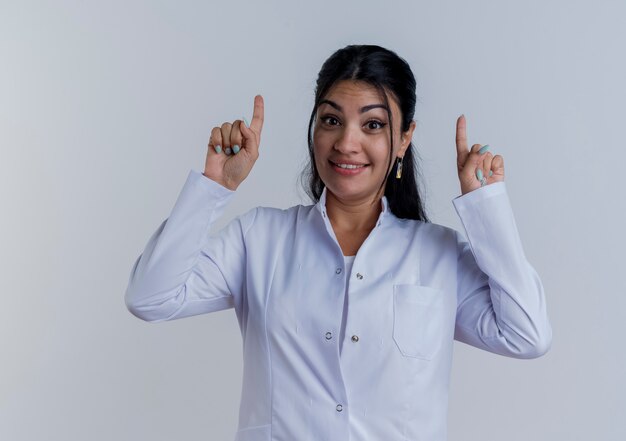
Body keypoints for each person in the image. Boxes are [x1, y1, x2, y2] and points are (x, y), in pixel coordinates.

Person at [125, 44, 552, 441]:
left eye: (373, 124)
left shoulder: (438, 254)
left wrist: (486, 205)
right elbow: (151, 297)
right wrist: (213, 187)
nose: (347, 142)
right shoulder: (260, 239)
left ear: (404, 138)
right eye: (332, 120)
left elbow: (527, 334)